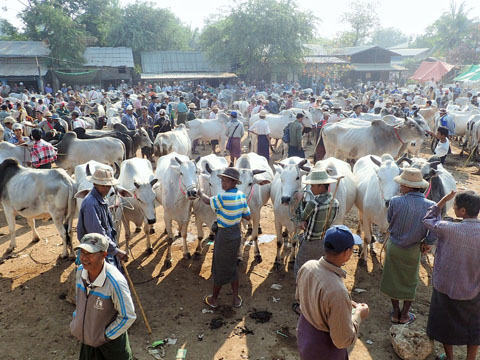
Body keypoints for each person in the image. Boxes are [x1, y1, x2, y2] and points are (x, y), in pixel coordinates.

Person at [296, 225, 368, 360]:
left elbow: (301, 298)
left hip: (305, 335)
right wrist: (358, 314)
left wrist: (340, 304)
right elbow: (342, 340)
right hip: (324, 350)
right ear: (347, 253)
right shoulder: (337, 290)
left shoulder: (308, 266)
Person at [423, 190, 480, 360]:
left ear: (462, 211)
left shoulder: (448, 229)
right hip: (474, 289)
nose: (452, 208)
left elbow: (428, 219)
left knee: (445, 326)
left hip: (445, 288)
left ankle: (450, 357)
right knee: (474, 328)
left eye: (454, 205)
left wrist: (442, 201)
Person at [380, 168, 436, 325]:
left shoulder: (395, 201)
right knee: (410, 280)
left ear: (409, 187)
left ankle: (395, 312)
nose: (400, 187)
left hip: (394, 247)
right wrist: (427, 243)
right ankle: (404, 315)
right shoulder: (431, 206)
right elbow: (434, 230)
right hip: (413, 249)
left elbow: (390, 219)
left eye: (402, 185)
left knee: (393, 278)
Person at [71, 233, 136, 360]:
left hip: (111, 346)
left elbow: (128, 316)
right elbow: (80, 301)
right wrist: (77, 322)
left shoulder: (115, 282)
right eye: (82, 252)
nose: (84, 258)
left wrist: (104, 336)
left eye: (90, 253)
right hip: (88, 342)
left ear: (104, 255)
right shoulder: (80, 272)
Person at [197, 168, 251, 309]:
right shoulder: (241, 195)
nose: (222, 183)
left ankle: (214, 299)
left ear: (234, 182)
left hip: (224, 235)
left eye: (226, 180)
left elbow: (208, 201)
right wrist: (235, 212)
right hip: (236, 234)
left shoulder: (222, 197)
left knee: (219, 266)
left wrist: (200, 193)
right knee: (232, 265)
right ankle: (235, 298)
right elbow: (248, 216)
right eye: (221, 180)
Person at [77, 167, 128, 270]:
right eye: (103, 185)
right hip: (96, 249)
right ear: (94, 184)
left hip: (104, 248)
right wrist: (116, 251)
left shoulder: (102, 199)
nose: (106, 188)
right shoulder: (91, 204)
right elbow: (98, 234)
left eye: (108, 185)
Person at [293, 169, 339, 278]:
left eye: (313, 186)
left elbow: (301, 216)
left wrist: (300, 202)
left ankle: (302, 289)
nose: (311, 189)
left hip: (310, 242)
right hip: (324, 241)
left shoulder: (314, 203)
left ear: (321, 186)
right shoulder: (335, 202)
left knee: (300, 268)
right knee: (319, 268)